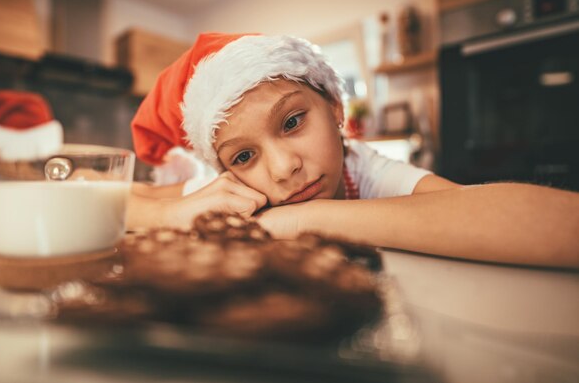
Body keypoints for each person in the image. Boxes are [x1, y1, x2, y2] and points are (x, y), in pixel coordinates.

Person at [127, 32, 579, 268]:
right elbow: (109, 197)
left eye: (291, 121)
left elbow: (555, 226)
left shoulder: (366, 172)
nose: (284, 168)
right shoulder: (228, 192)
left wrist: (304, 217)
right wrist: (169, 215)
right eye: (243, 156)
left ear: (336, 108)